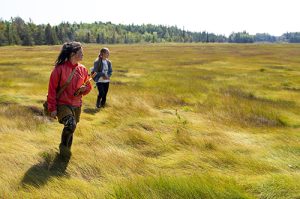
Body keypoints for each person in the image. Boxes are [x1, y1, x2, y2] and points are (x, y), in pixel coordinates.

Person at [46, 41, 92, 156]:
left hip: (77, 105)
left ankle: (66, 152)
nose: (83, 54)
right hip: (62, 104)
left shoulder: (83, 69)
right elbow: (51, 90)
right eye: (80, 52)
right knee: (71, 124)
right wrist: (52, 108)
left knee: (72, 128)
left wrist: (84, 89)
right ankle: (63, 148)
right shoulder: (59, 69)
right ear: (72, 53)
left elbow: (88, 87)